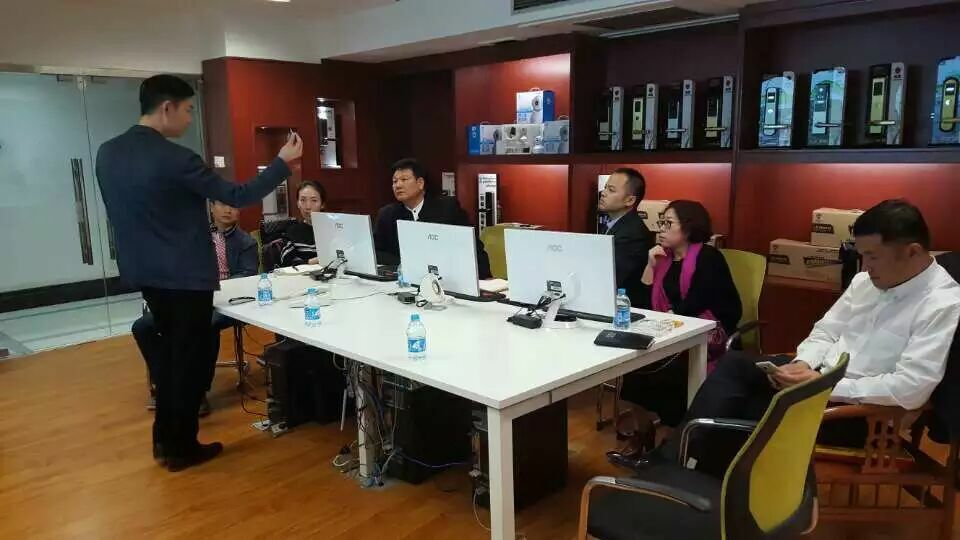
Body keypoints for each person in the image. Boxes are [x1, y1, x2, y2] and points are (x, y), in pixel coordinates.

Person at [620, 200, 960, 476]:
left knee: (744, 408)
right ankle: (685, 469)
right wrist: (803, 363)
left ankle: (683, 472)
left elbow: (910, 387)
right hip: (818, 382)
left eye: (872, 256)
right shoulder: (864, 282)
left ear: (913, 252)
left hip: (861, 413)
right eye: (862, 255)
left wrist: (824, 386)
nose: (865, 265)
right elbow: (825, 331)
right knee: (735, 366)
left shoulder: (943, 303)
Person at [96, 74, 303, 472]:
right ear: (167, 107)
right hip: (185, 277)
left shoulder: (108, 153)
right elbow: (239, 195)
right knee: (188, 364)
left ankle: (165, 440)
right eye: (188, 110)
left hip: (145, 272)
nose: (190, 119)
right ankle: (181, 447)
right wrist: (281, 163)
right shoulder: (177, 159)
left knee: (172, 358)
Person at [608, 200, 742, 467]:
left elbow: (696, 304)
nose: (661, 229)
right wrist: (649, 266)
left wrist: (670, 318)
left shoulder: (708, 258)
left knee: (671, 374)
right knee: (634, 367)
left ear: (689, 228)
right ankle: (643, 435)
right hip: (669, 332)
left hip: (709, 335)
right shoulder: (663, 258)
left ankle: (671, 447)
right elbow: (641, 302)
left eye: (668, 223)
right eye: (660, 222)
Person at [134, 200, 259, 415]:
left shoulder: (246, 242)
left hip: (227, 303)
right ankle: (166, 384)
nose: (227, 210)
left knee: (204, 325)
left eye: (233, 206)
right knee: (143, 327)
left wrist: (212, 288)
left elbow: (247, 276)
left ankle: (197, 392)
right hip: (189, 298)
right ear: (211, 208)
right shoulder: (193, 237)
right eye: (222, 204)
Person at [373, 158, 492, 279]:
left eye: (404, 180)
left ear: (420, 183)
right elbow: (376, 252)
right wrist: (408, 264)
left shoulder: (447, 209)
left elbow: (471, 248)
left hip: (449, 278)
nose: (398, 185)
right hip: (406, 279)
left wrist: (484, 277)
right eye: (394, 181)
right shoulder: (387, 214)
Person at [597, 167, 653, 308]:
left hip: (624, 307)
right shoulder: (614, 225)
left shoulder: (633, 234)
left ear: (630, 200)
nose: (603, 193)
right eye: (605, 188)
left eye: (611, 190)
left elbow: (613, 277)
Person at [276, 181, 327, 267]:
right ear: (297, 204)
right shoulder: (292, 231)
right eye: (303, 200)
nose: (308, 207)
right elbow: (287, 261)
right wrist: (314, 261)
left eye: (314, 200)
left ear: (322, 204)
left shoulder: (334, 230)